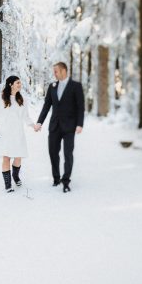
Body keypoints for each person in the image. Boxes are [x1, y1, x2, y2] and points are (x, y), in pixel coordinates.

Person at [34, 62, 84, 193]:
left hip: (69, 127)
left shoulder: (76, 86)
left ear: (64, 71)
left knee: (68, 154)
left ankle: (66, 181)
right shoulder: (52, 86)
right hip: (54, 126)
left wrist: (80, 124)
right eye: (54, 71)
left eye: (56, 71)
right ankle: (56, 178)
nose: (54, 74)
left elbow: (80, 107)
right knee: (52, 152)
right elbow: (46, 106)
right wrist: (40, 122)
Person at [0, 76, 36, 192]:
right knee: (6, 157)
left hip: (17, 132)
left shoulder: (22, 99)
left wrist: (33, 125)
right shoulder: (0, 97)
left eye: (20, 83)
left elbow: (26, 117)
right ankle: (8, 185)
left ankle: (15, 176)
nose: (20, 85)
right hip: (4, 132)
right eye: (18, 83)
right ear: (10, 84)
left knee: (18, 157)